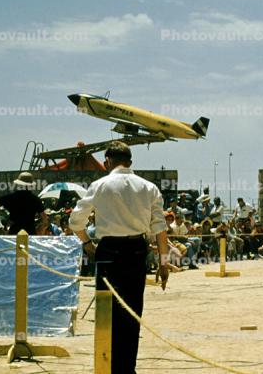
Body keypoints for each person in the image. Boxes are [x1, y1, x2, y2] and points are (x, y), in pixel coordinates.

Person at [69, 141, 172, 374]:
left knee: (107, 311)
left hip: (108, 253)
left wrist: (86, 242)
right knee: (132, 312)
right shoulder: (149, 188)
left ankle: (108, 365)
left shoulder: (99, 185)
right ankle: (127, 368)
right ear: (130, 162)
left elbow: (75, 221)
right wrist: (164, 264)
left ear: (107, 161)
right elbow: (160, 229)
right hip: (136, 251)